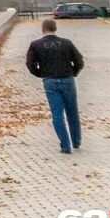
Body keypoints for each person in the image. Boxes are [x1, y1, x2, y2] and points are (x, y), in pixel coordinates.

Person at [25, 19, 85, 153]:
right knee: (72, 111)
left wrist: (41, 74)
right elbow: (79, 61)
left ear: (43, 29)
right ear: (55, 28)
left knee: (57, 113)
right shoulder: (67, 43)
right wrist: (73, 72)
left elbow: (30, 64)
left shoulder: (36, 45)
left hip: (50, 81)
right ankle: (76, 141)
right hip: (68, 79)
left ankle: (65, 145)